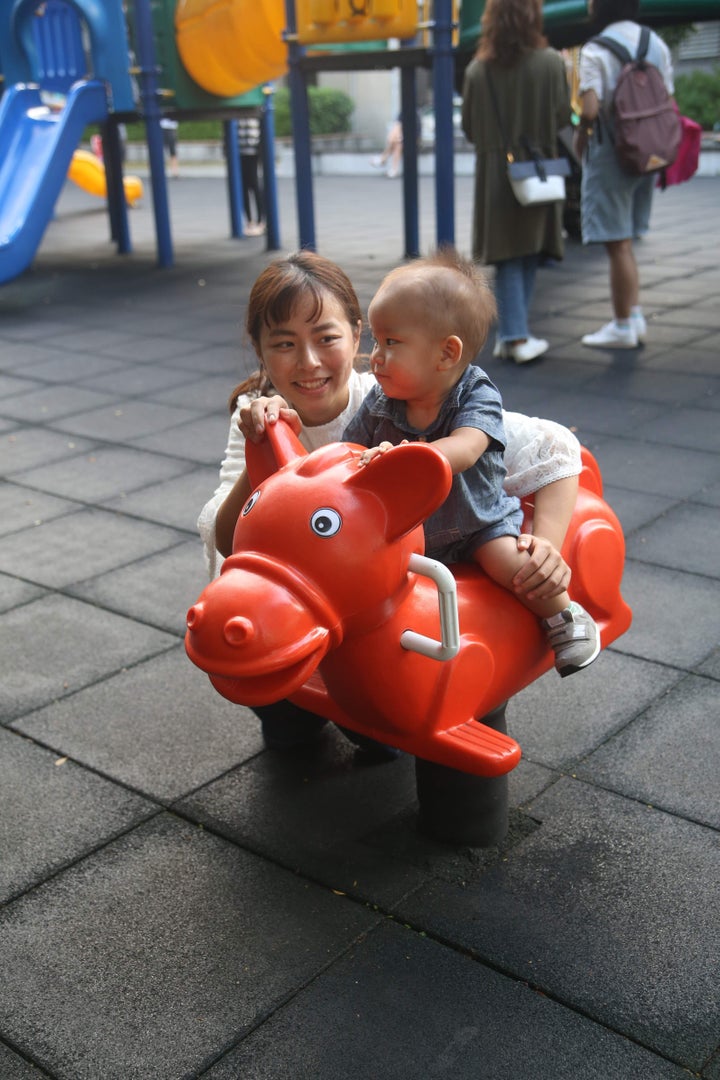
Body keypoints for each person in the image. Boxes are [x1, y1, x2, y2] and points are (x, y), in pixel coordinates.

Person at [343, 249, 599, 677]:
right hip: (409, 530)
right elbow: (348, 449)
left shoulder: (474, 392)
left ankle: (565, 618)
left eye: (391, 342)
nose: (376, 356)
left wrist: (407, 457)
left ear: (446, 354)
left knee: (513, 566)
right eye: (375, 341)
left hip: (476, 523)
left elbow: (467, 446)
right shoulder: (382, 399)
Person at [461, 0, 572, 364]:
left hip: (496, 171)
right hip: (537, 165)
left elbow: (471, 129)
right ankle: (516, 335)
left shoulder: (478, 69)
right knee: (527, 248)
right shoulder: (552, 63)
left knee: (508, 250)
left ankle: (513, 332)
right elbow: (560, 115)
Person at [574, 0, 674, 349]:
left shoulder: (595, 49)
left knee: (618, 244)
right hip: (649, 150)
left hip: (612, 153)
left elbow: (589, 107)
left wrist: (579, 136)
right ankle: (634, 315)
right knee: (627, 238)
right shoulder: (654, 42)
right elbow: (668, 95)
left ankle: (621, 325)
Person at [237, 112, 265, 236]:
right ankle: (249, 221)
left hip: (252, 152)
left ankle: (260, 221)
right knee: (244, 187)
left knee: (254, 185)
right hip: (240, 152)